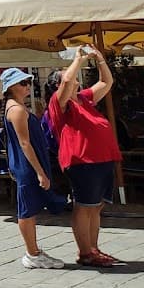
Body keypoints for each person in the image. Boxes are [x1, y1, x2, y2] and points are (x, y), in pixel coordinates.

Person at [47, 45, 124, 268]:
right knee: (84, 206)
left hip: (102, 159)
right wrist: (78, 59)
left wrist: (100, 59)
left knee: (96, 206)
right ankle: (85, 252)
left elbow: (106, 83)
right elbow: (67, 82)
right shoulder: (59, 103)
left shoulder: (84, 99)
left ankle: (93, 247)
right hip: (83, 161)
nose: (76, 81)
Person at [1, 66, 70, 268]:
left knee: (30, 208)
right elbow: (24, 143)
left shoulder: (16, 107)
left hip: (28, 164)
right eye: (23, 83)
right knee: (27, 209)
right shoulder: (17, 110)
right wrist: (40, 172)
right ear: (12, 87)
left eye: (28, 82)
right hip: (28, 166)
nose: (27, 86)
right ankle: (32, 253)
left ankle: (34, 252)